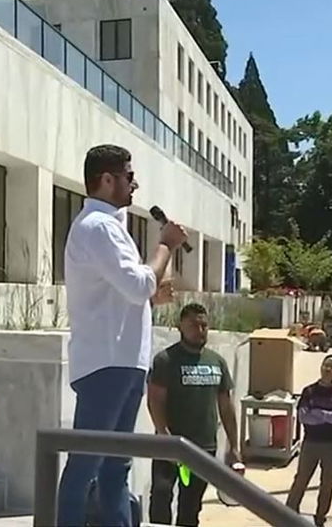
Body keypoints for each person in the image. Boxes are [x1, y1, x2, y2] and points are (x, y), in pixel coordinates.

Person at [58, 144, 188, 527]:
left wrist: (150, 296)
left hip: (124, 360)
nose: (135, 184)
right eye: (129, 176)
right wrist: (165, 244)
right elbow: (137, 283)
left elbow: (126, 293)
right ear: (107, 179)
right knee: (86, 463)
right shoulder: (98, 226)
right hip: (106, 362)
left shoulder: (109, 226)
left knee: (117, 465)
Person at [146, 303, 239, 526]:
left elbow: (226, 406)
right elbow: (155, 401)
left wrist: (234, 446)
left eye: (204, 325)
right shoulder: (166, 360)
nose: (200, 330)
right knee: (161, 496)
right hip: (170, 446)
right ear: (181, 327)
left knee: (190, 506)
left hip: (202, 449)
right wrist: (163, 434)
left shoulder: (216, 362)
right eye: (194, 325)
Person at [286, 354, 332, 527]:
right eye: (325, 365)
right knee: (301, 480)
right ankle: (289, 512)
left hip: (331, 445)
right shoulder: (309, 391)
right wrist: (328, 416)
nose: (327, 369)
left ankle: (320, 517)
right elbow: (303, 417)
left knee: (327, 483)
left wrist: (319, 413)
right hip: (311, 443)